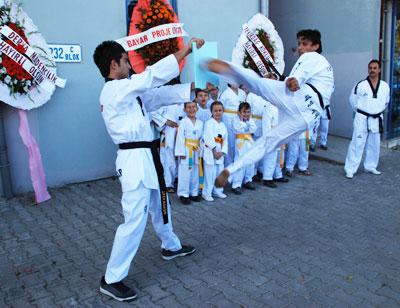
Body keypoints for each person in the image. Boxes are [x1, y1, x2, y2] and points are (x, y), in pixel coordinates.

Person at [93, 37, 204, 301]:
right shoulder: (114, 91)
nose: (130, 66)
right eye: (125, 61)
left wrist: (193, 90)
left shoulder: (128, 91)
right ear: (113, 64)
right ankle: (112, 278)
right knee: (134, 219)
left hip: (145, 155)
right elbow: (151, 77)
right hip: (133, 160)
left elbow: (155, 95)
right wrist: (185, 50)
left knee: (159, 202)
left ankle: (170, 245)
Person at [207, 29, 335, 187]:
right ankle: (231, 170)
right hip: (308, 117)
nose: (300, 47)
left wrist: (293, 80)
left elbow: (299, 75)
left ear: (315, 46)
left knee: (258, 84)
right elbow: (304, 79)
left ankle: (229, 69)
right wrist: (293, 80)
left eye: (304, 43)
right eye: (299, 44)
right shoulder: (327, 69)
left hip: (300, 97)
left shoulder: (312, 56)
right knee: (269, 142)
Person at [344, 59, 390, 178]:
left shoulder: (385, 86)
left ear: (379, 70)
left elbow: (386, 102)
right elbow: (352, 101)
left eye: (375, 68)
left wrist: (376, 110)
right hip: (362, 117)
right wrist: (362, 111)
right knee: (357, 143)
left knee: (374, 144)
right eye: (370, 68)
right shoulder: (360, 85)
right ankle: (350, 169)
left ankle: (370, 166)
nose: (372, 70)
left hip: (376, 118)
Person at [175, 101, 204, 204]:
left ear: (197, 108)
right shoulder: (183, 122)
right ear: (184, 109)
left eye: (193, 107)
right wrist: (181, 152)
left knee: (195, 171)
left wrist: (201, 149)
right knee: (185, 172)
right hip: (186, 150)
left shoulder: (200, 123)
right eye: (188, 107)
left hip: (196, 149)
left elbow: (201, 138)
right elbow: (180, 137)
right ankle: (183, 194)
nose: (191, 109)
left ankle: (194, 192)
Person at [201, 101, 228, 201]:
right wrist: (214, 151)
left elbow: (225, 140)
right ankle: (206, 192)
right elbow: (207, 138)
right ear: (211, 112)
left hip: (220, 152)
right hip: (210, 152)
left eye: (220, 110)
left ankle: (218, 191)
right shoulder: (208, 123)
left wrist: (222, 152)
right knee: (209, 174)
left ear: (223, 111)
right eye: (215, 110)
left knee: (219, 173)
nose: (218, 112)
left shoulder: (223, 125)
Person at [231, 102, 257, 194]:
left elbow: (253, 129)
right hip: (240, 142)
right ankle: (236, 184)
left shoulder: (250, 120)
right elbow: (238, 129)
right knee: (240, 162)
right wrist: (242, 121)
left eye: (248, 112)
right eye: (244, 112)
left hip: (249, 141)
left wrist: (248, 122)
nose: (246, 114)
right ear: (239, 112)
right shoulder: (235, 119)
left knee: (250, 161)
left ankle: (248, 180)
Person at [219, 84, 247, 166]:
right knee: (229, 143)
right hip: (228, 119)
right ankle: (228, 165)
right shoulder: (225, 93)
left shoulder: (242, 93)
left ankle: (237, 166)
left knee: (239, 143)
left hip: (240, 118)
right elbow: (221, 107)